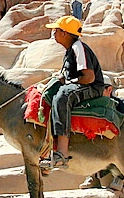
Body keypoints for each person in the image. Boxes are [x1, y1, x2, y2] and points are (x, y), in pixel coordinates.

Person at [40, 16, 105, 169]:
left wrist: (69, 83)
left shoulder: (78, 47)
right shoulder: (70, 50)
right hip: (82, 84)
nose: (54, 33)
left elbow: (88, 77)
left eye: (56, 30)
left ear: (65, 33)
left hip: (92, 86)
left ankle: (61, 152)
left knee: (62, 96)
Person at [79, 82, 124, 191]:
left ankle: (119, 178)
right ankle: (92, 178)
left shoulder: (119, 104)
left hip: (114, 139)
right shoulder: (93, 103)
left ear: (109, 90)